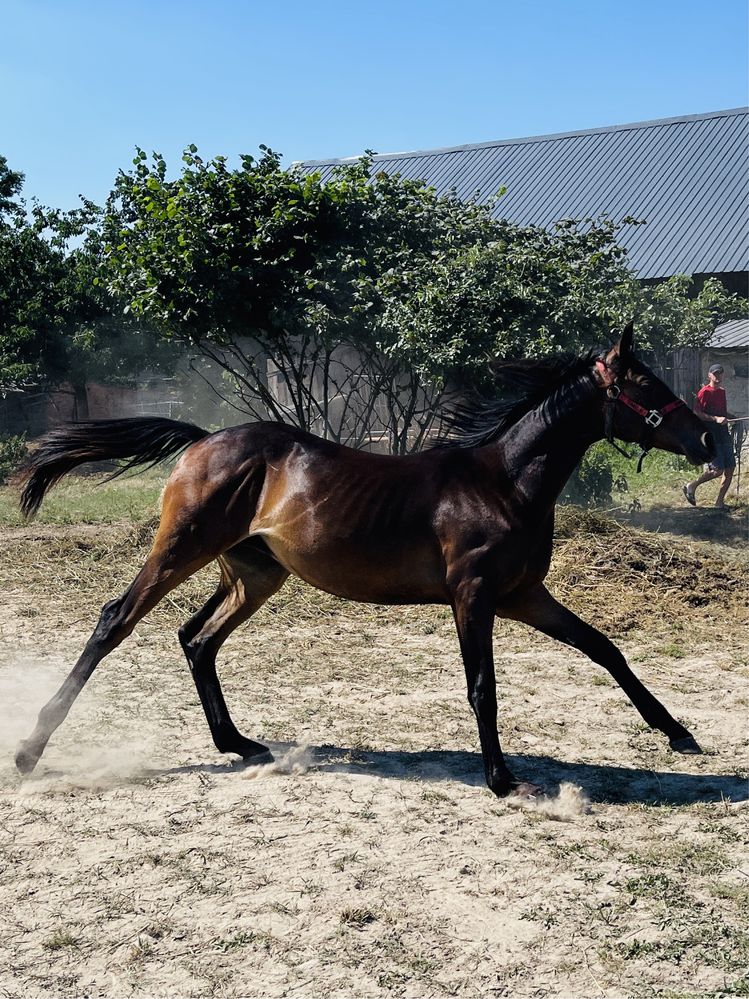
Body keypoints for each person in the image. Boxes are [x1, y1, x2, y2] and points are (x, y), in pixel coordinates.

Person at [683, 364, 736, 509]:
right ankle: (691, 485)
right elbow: (697, 413)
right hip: (711, 435)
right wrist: (715, 419)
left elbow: (722, 413)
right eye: (715, 374)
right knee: (717, 470)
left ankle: (719, 502)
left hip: (724, 434)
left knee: (730, 468)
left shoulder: (722, 392)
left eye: (720, 374)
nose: (718, 376)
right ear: (709, 376)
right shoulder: (704, 392)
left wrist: (733, 418)